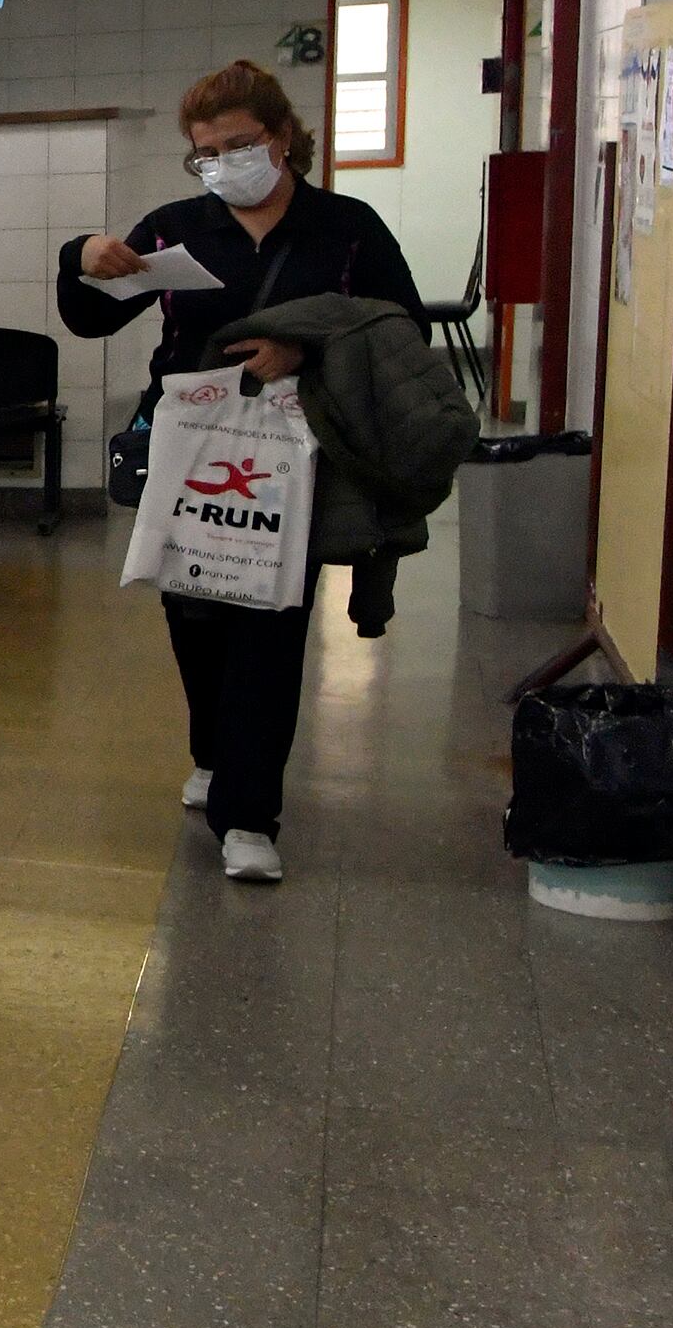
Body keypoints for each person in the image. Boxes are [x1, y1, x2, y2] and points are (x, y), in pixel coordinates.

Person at [58, 59, 424, 887]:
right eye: (207, 152)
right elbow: (89, 314)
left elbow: (398, 326)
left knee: (270, 617)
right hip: (190, 445)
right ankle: (214, 751)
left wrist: (306, 345)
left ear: (284, 138)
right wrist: (81, 253)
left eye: (240, 144)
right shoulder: (178, 225)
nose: (225, 163)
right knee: (195, 613)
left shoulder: (346, 228)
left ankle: (250, 815)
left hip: (294, 454)